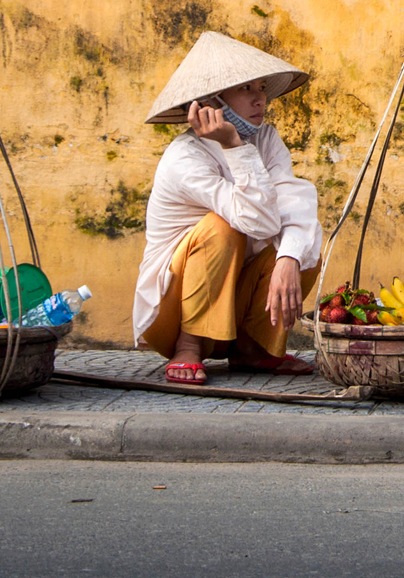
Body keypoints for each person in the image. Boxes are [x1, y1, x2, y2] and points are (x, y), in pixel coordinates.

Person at [132, 32, 323, 384]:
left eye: (261, 87)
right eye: (246, 89)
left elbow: (294, 206)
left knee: (304, 247)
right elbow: (260, 222)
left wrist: (288, 260)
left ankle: (252, 349)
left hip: (232, 305)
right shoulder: (184, 157)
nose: (259, 99)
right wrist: (234, 146)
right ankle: (188, 346)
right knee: (223, 227)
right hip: (173, 312)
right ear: (210, 103)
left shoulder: (265, 139)